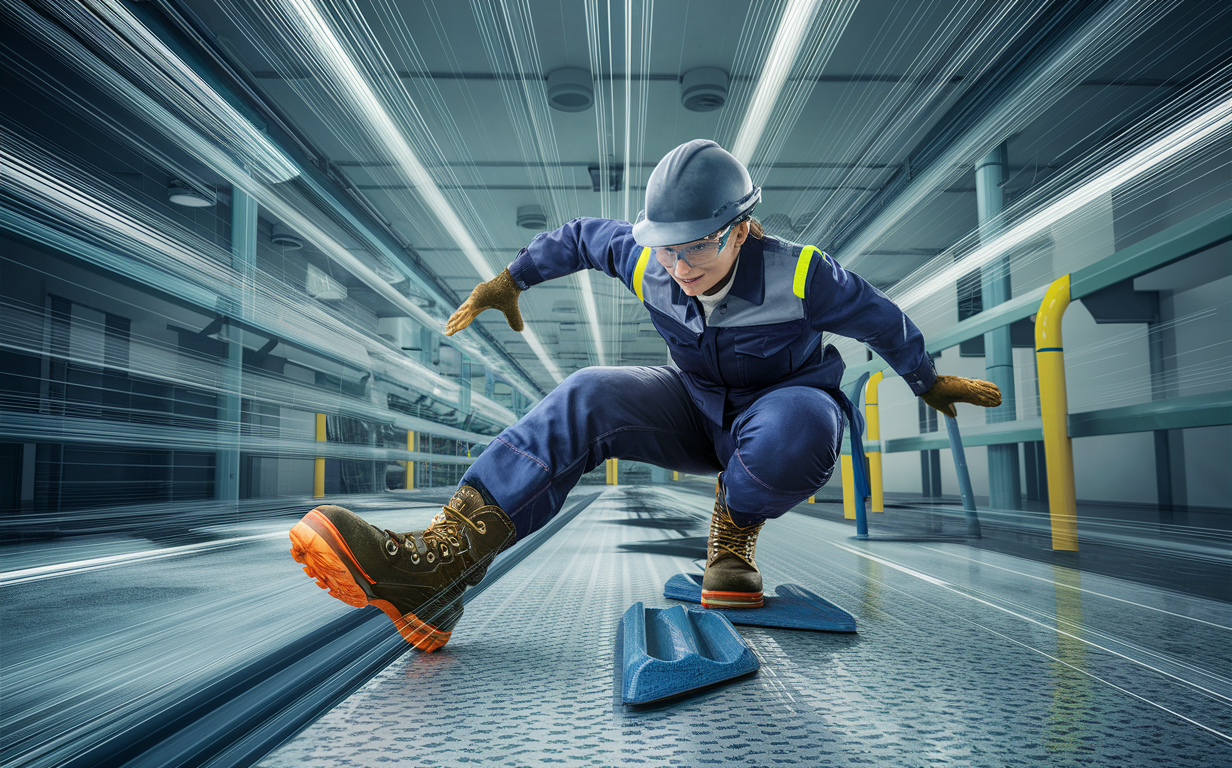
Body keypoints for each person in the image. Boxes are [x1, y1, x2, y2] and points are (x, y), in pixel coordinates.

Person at [289, 139, 1001, 652]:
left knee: (799, 427)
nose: (679, 265)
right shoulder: (649, 261)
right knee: (588, 392)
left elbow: (883, 320)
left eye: (697, 247)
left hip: (783, 406)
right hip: (693, 410)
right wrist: (512, 278)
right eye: (667, 247)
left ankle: (734, 532)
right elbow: (577, 239)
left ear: (742, 229)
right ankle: (442, 568)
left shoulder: (805, 275)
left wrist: (927, 379)